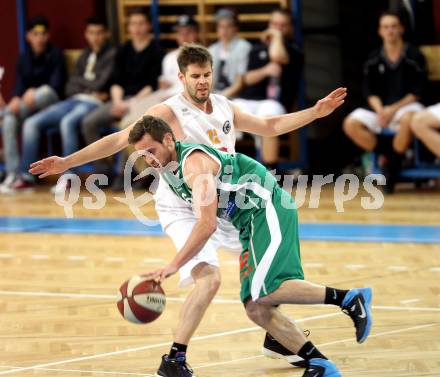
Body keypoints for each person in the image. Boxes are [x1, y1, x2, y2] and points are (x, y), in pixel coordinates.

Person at [29, 44, 346, 376]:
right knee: (209, 278)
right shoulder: (169, 111)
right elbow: (119, 139)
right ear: (181, 77)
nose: (202, 82)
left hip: (225, 203)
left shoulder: (223, 106)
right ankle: (174, 359)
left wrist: (314, 112)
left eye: (207, 74)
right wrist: (67, 162)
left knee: (265, 261)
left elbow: (270, 126)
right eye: (195, 76)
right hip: (181, 204)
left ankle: (277, 335)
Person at [128, 115, 372, 377]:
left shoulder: (193, 167)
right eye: (143, 155)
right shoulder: (169, 171)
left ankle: (349, 298)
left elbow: (207, 224)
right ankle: (321, 365)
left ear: (167, 139)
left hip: (267, 209)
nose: (149, 160)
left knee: (268, 291)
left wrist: (173, 266)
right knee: (255, 307)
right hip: (248, 224)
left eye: (151, 151)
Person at [9, 16, 115, 193]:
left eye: (98, 33)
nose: (95, 37)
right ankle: (26, 176)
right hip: (73, 99)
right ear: (86, 34)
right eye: (91, 33)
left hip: (94, 102)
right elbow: (70, 85)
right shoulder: (84, 56)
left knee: (67, 122)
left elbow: (102, 82)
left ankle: (69, 176)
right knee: (31, 123)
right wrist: (87, 87)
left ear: (106, 34)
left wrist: (87, 88)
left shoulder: (112, 55)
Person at [342, 11, 426, 192]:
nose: (390, 31)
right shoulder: (373, 58)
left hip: (405, 106)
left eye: (394, 26)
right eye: (386, 27)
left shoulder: (414, 55)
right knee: (351, 123)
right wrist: (381, 110)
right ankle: (390, 155)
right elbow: (369, 91)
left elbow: (416, 92)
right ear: (380, 31)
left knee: (409, 119)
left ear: (401, 29)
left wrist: (392, 110)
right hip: (380, 109)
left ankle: (391, 164)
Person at [81, 8, 164, 184]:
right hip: (121, 98)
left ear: (148, 25)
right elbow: (116, 81)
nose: (137, 27)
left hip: (144, 99)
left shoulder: (156, 49)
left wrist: (131, 103)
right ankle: (103, 171)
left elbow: (153, 83)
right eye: (133, 23)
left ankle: (124, 173)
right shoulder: (123, 50)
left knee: (128, 126)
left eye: (141, 23)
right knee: (89, 122)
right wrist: (118, 101)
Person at [0, 16, 65, 193]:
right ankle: (15, 175)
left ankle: (4, 113)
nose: (40, 38)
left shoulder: (56, 54)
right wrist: (15, 98)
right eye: (35, 34)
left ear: (48, 35)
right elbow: (19, 86)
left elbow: (56, 85)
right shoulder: (24, 58)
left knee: (43, 92)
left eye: (43, 34)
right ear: (28, 36)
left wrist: (33, 92)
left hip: (52, 104)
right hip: (30, 111)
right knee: (10, 121)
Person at [233, 8, 304, 167]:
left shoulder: (294, 50)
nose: (277, 28)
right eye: (274, 24)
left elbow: (278, 56)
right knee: (225, 114)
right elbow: (247, 79)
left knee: (268, 117)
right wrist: (265, 71)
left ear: (290, 28)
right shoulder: (257, 48)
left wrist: (276, 36)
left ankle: (271, 173)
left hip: (274, 102)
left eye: (282, 25)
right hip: (248, 100)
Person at [208, 8, 252, 98]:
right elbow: (208, 80)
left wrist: (219, 98)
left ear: (236, 28)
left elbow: (239, 83)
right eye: (221, 26)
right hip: (214, 95)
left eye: (228, 26)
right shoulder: (212, 49)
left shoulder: (243, 47)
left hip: (235, 97)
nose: (224, 30)